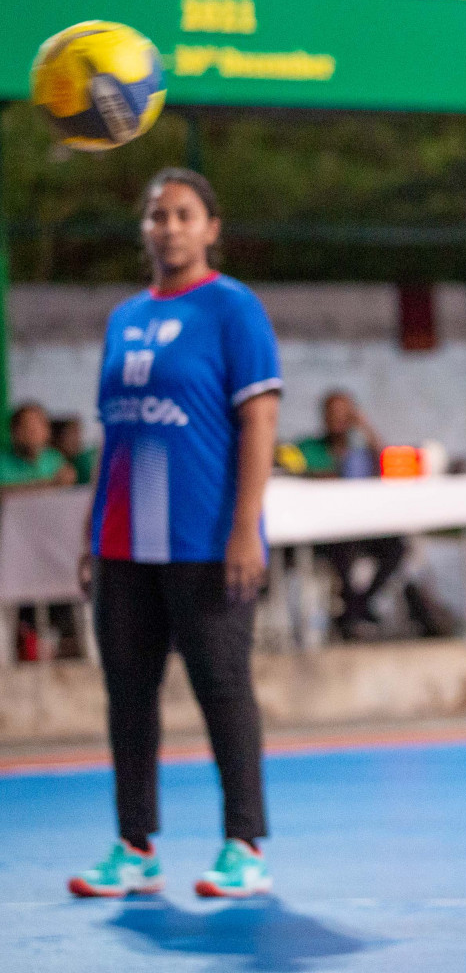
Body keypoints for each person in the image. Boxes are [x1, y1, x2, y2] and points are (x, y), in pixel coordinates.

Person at [68, 167, 281, 900]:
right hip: (126, 543)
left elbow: (259, 420)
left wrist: (245, 529)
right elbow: (112, 432)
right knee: (127, 694)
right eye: (157, 215)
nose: (169, 227)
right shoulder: (124, 317)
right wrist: (93, 534)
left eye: (185, 214)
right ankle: (134, 847)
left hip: (206, 540)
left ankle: (244, 845)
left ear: (211, 228)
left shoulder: (233, 309)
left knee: (222, 687)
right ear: (145, 230)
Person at [292, 390, 415, 639]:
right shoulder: (309, 447)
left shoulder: (360, 452)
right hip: (325, 533)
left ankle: (356, 606)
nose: (338, 419)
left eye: (344, 414)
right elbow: (290, 469)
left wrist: (365, 428)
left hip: (361, 529)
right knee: (342, 548)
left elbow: (385, 464)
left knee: (397, 547)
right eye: (332, 413)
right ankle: (355, 612)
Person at [0, 402, 76, 490]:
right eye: (27, 427)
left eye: (38, 426)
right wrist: (49, 484)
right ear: (14, 432)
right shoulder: (2, 462)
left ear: (47, 431)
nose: (33, 433)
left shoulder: (54, 459)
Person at [51, 413, 97, 487]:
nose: (77, 439)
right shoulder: (54, 462)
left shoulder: (86, 459)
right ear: (56, 438)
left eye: (78, 433)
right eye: (70, 434)